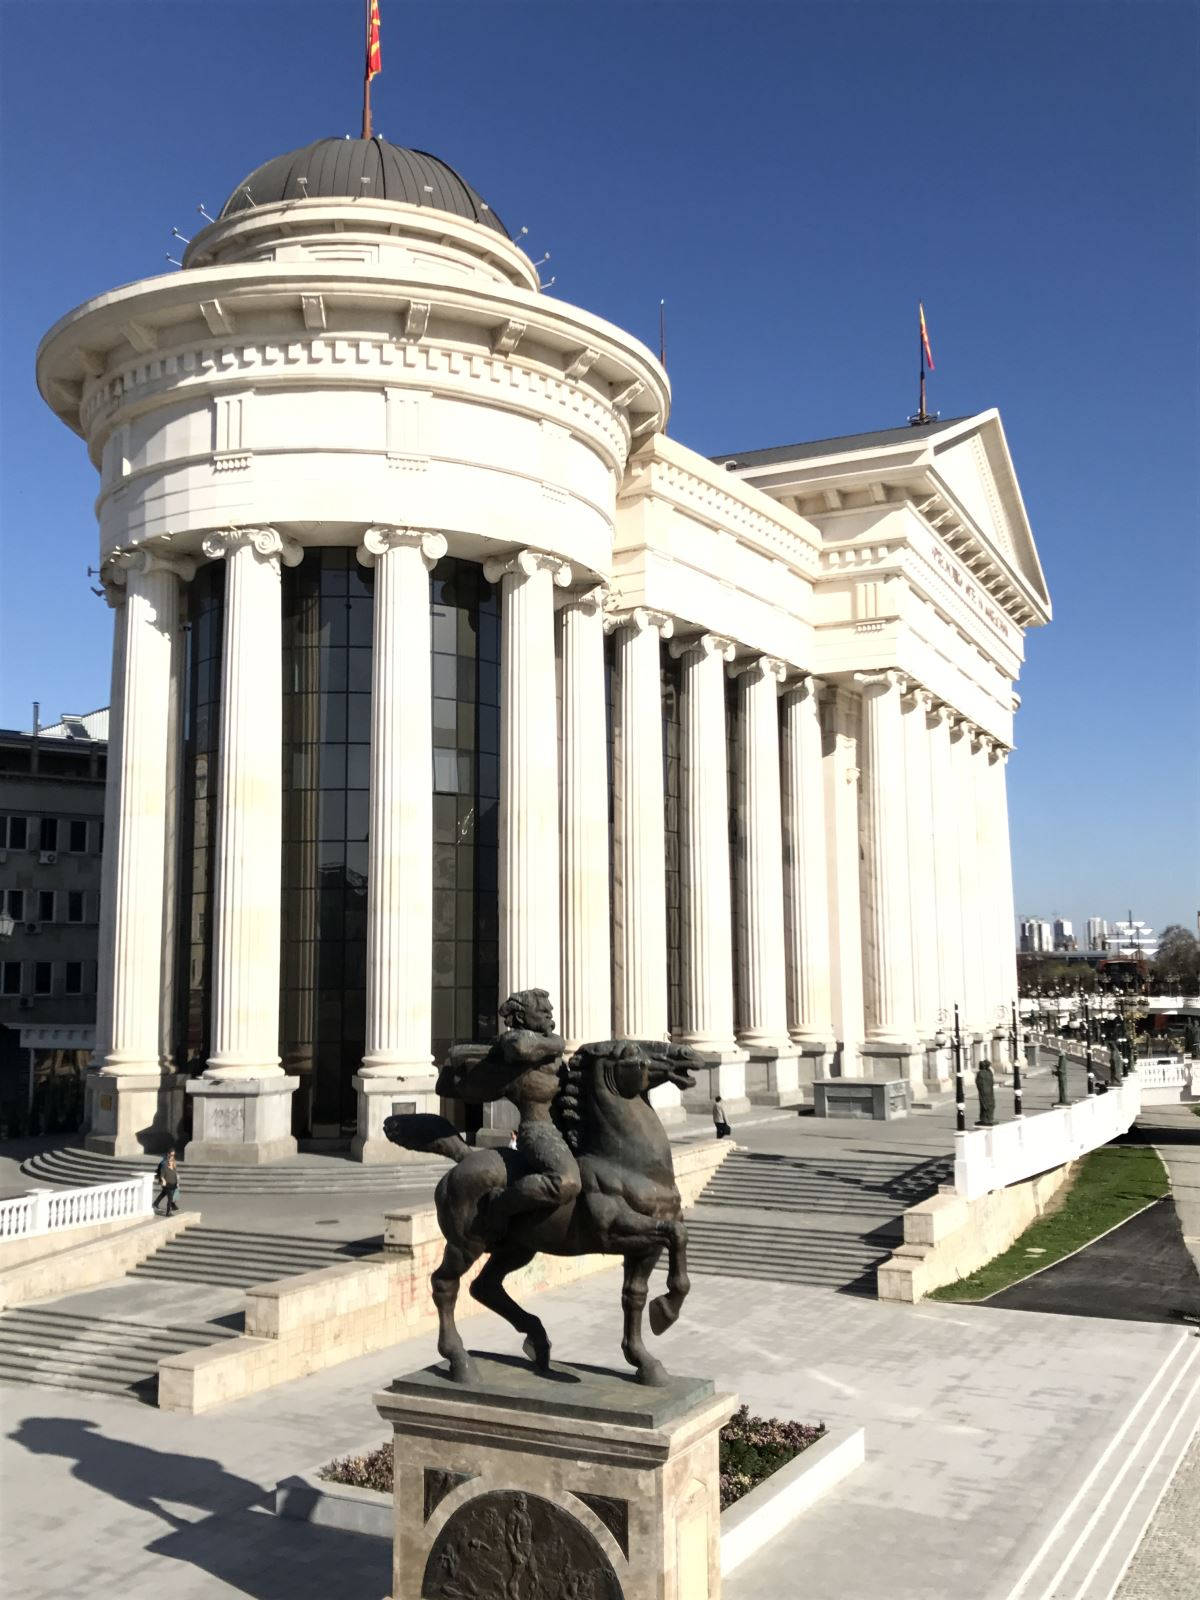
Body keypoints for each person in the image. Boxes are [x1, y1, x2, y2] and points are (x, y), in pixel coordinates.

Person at [440, 989, 579, 1238]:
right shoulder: (512, 1042)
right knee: (567, 1181)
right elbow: (523, 1047)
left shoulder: (545, 1047)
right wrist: (559, 1043)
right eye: (542, 1010)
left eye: (550, 1010)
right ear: (522, 1018)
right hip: (539, 1130)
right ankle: (499, 1205)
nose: (549, 1014)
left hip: (568, 1125)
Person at [153, 1149, 180, 1214]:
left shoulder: (172, 1161)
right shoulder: (164, 1162)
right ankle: (171, 1207)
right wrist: (163, 1181)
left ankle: (155, 1203)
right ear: (168, 1154)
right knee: (170, 1194)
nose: (172, 1156)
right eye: (171, 1155)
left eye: (173, 1155)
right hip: (166, 1182)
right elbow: (162, 1173)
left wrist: (177, 1178)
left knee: (165, 1193)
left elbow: (174, 1170)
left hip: (172, 1182)